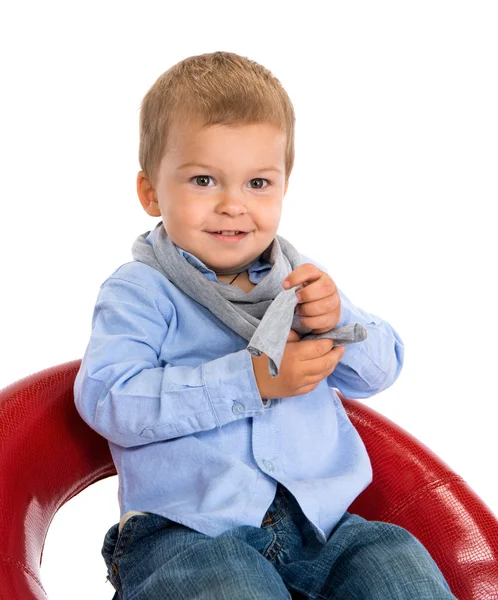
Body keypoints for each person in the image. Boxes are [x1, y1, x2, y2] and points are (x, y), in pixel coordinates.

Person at [74, 51, 456, 599]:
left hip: (318, 530)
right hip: (188, 533)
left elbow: (382, 371)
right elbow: (109, 399)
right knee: (234, 588)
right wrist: (253, 381)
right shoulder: (141, 290)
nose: (233, 205)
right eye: (204, 180)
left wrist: (339, 320)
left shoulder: (298, 284)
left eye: (258, 183)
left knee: (394, 560)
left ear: (283, 186)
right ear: (151, 192)